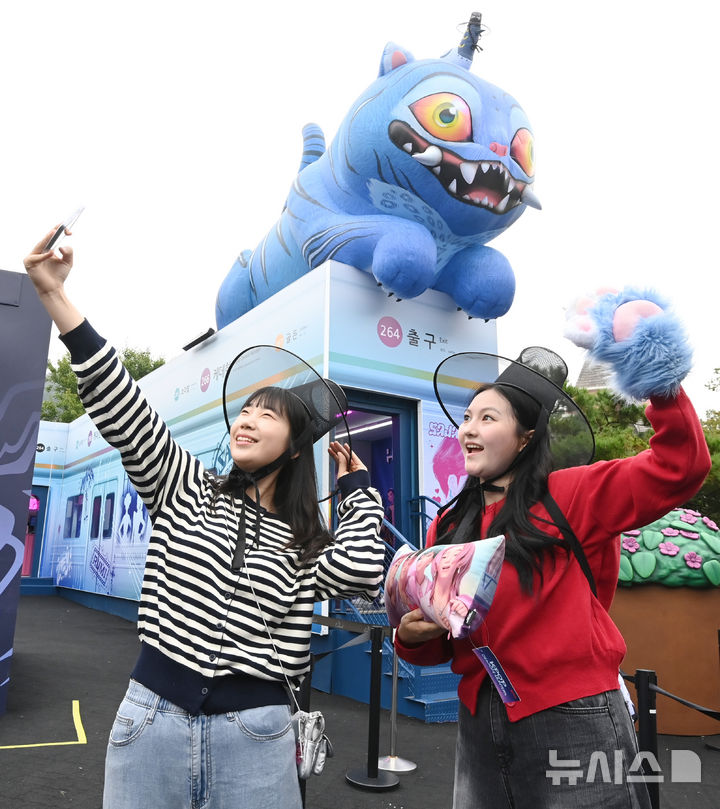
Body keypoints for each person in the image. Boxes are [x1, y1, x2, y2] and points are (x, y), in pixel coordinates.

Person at [24, 227, 385, 809]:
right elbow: (123, 409)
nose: (247, 420)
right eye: (245, 410)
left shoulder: (302, 538)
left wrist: (358, 488)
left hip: (258, 734)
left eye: (267, 415)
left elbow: (365, 566)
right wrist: (55, 297)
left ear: (295, 448)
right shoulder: (184, 486)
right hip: (151, 722)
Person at [394, 297, 711, 809]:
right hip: (478, 717)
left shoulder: (572, 495)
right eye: (467, 417)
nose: (467, 429)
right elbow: (438, 640)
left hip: (574, 715)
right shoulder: (449, 524)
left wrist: (654, 372)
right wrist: (410, 637)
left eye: (487, 418)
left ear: (525, 438)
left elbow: (681, 465)